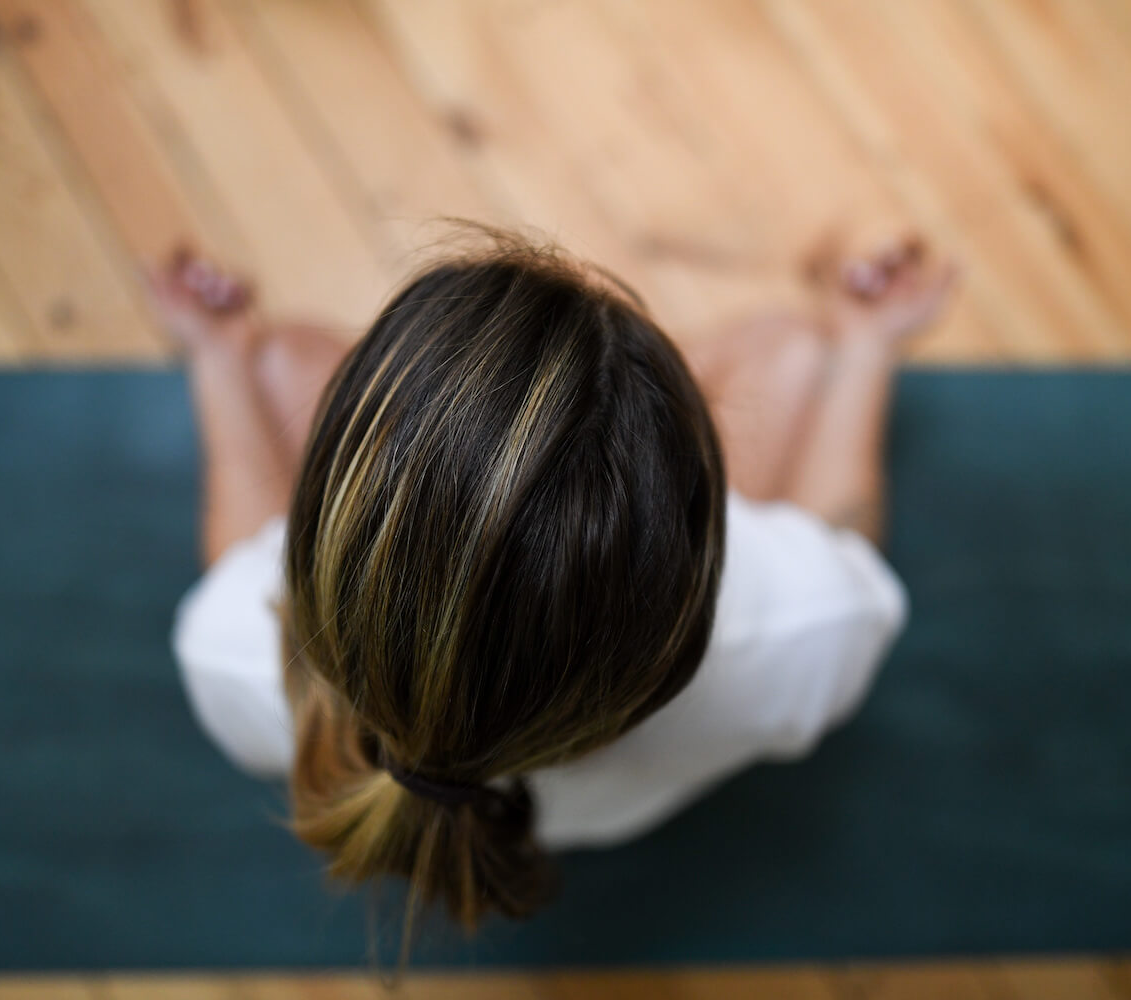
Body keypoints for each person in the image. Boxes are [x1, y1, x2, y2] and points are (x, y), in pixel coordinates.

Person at [147, 228, 957, 929]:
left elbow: (238, 560)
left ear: (323, 540)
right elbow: (843, 538)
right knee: (793, 349)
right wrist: (864, 347)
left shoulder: (230, 661)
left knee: (281, 357)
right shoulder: (803, 629)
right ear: (703, 548)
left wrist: (219, 357)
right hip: (620, 803)